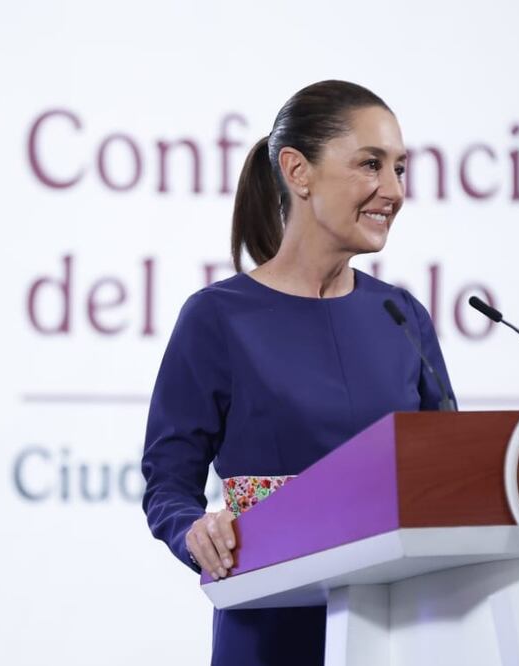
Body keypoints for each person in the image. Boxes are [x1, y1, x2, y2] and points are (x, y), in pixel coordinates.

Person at [141, 80, 456, 665]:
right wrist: (194, 529)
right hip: (271, 627)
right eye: (370, 164)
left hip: (403, 630)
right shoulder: (217, 317)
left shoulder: (402, 315)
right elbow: (168, 483)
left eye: (401, 169)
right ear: (298, 171)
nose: (393, 190)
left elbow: (453, 471)